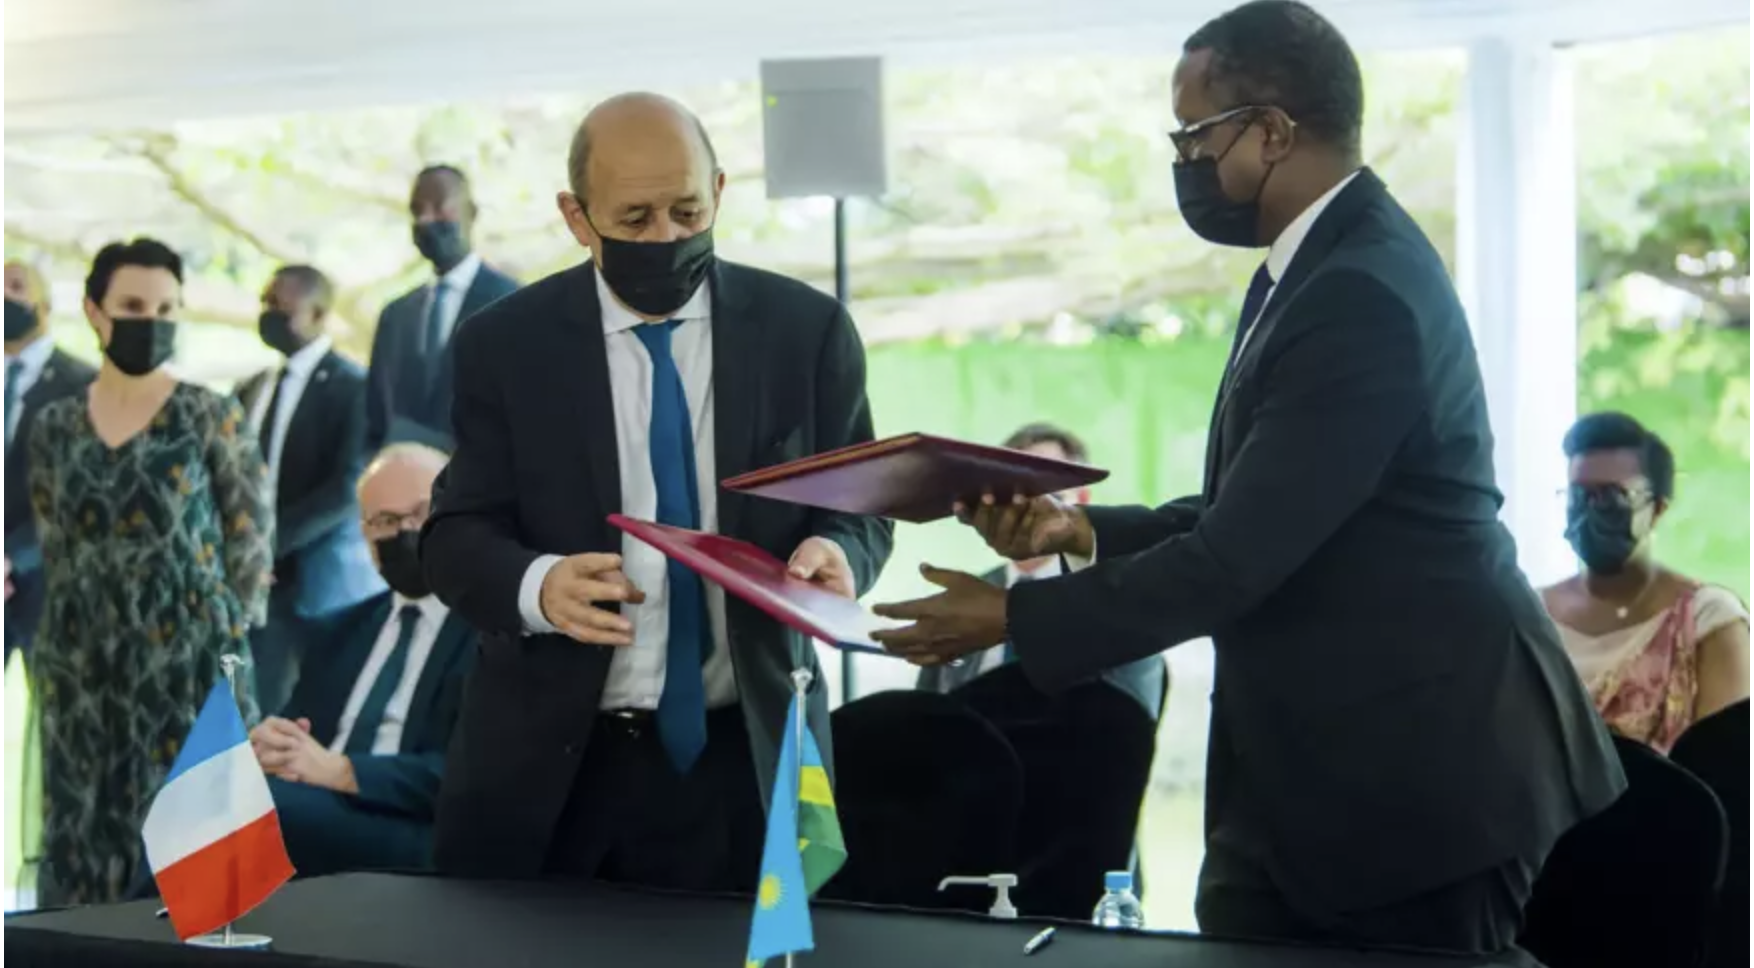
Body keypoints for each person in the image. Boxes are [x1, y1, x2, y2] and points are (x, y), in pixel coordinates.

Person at [872, 1, 1623, 954]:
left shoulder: (1359, 291)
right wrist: (1081, 532)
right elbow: (1262, 506)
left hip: (1420, 778)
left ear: (1271, 131)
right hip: (1320, 768)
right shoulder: (1312, 268)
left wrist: (1016, 617)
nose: (1183, 160)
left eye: (1194, 135)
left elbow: (1237, 559)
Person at [420, 92, 892, 888]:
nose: (667, 238)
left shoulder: (806, 332)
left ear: (720, 192)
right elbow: (454, 536)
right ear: (577, 217)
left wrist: (839, 550)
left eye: (687, 211)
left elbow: (862, 506)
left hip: (750, 755)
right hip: (553, 771)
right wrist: (539, 586)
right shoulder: (505, 345)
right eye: (635, 219)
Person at [29, 238, 273, 905]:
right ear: (94, 312)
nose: (152, 321)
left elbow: (251, 541)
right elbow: (54, 536)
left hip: (186, 658)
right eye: (134, 306)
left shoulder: (210, 415)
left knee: (187, 831)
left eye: (167, 308)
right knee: (84, 823)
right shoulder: (54, 425)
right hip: (82, 659)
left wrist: (227, 650)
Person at [251, 443, 476, 878]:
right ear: (366, 536)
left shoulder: (494, 630)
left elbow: (477, 774)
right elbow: (300, 732)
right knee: (200, 791)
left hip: (417, 828)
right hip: (313, 809)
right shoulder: (338, 631)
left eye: (422, 512)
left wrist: (343, 771)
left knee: (262, 813)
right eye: (386, 521)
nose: (407, 531)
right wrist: (273, 745)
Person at [916, 422, 1165, 719]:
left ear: (1082, 500)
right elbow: (925, 711)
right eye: (1013, 494)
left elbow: (1131, 722)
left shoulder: (1117, 600)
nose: (1029, 509)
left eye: (1050, 493)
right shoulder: (965, 597)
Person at [1541, 412, 1750, 753]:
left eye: (1611, 496)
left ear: (1657, 508)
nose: (1590, 510)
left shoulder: (1707, 621)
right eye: (1578, 495)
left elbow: (1725, 765)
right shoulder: (1531, 618)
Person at [236, 265, 383, 714]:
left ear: (317, 314)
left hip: (319, 587)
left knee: (308, 717)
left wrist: (267, 546)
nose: (267, 313)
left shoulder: (356, 387)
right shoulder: (252, 387)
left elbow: (346, 488)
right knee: (254, 711)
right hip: (254, 589)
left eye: (280, 306)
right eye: (264, 302)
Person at [365, 165, 519, 452]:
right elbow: (374, 422)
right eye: (416, 211)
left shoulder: (516, 305)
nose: (425, 219)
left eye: (439, 207)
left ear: (471, 213)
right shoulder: (394, 316)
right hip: (400, 476)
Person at [3, 260, 96, 665]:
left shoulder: (85, 385)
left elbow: (78, 488)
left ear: (46, 303)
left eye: (15, 286)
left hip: (50, 577)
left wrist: (11, 557)